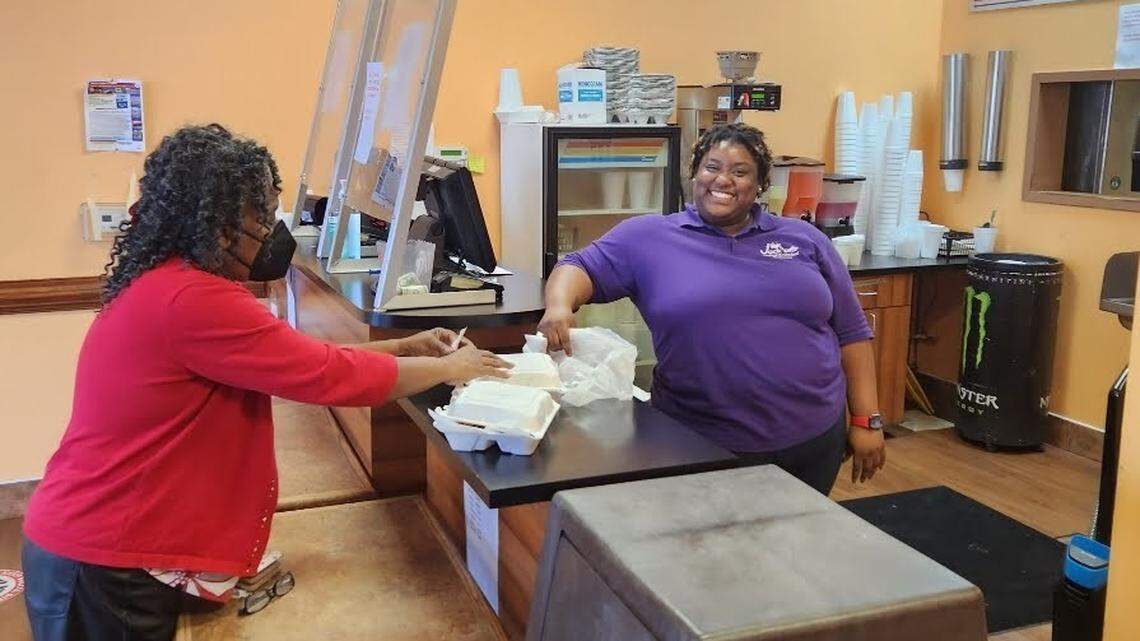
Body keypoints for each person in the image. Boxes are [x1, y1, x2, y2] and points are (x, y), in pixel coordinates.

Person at [21, 124, 511, 641]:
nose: (269, 229)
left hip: (102, 546)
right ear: (217, 223)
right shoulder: (194, 300)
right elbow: (326, 375)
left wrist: (401, 347)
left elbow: (300, 359)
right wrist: (449, 369)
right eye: (260, 214)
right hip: (103, 559)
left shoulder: (171, 283)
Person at [539, 122, 885, 496]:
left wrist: (867, 420)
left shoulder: (805, 240)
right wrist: (559, 305)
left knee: (794, 548)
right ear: (694, 174)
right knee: (705, 547)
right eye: (712, 167)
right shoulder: (649, 238)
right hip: (698, 441)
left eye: (740, 172)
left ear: (760, 185)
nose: (724, 180)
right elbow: (578, 266)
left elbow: (851, 333)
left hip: (812, 438)